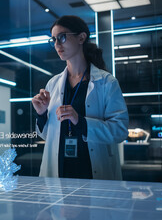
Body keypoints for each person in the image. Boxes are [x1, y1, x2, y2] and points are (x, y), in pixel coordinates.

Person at [32, 15, 129, 180]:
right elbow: (49, 136)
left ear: (81, 37)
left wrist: (81, 122)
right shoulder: (53, 83)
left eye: (62, 37)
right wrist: (41, 114)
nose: (56, 45)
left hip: (92, 171)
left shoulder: (106, 82)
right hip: (60, 170)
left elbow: (120, 131)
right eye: (53, 39)